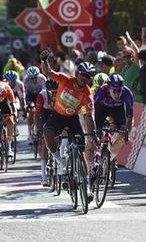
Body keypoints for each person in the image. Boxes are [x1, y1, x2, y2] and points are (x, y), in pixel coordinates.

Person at [40, 53, 96, 201]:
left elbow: (88, 116)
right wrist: (44, 61)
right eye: (83, 75)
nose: (85, 78)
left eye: (88, 77)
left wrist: (91, 135)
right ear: (77, 74)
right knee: (47, 131)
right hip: (57, 116)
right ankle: (60, 161)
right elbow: (48, 73)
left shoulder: (87, 94)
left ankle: (88, 188)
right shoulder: (65, 80)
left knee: (81, 150)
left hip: (72, 119)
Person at [94, 74, 133, 161]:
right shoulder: (101, 91)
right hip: (102, 110)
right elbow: (95, 110)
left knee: (123, 137)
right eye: (114, 91)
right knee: (97, 133)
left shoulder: (127, 93)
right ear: (108, 88)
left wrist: (127, 132)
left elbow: (129, 117)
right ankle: (97, 153)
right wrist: (98, 127)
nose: (117, 94)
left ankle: (109, 159)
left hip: (118, 110)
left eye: (119, 91)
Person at [35, 79, 58, 186]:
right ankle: (43, 174)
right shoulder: (42, 95)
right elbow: (37, 114)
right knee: (45, 142)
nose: (54, 94)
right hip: (45, 113)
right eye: (52, 91)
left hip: (58, 113)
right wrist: (39, 129)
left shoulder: (63, 94)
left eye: (56, 91)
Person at [23, 66, 46, 144]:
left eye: (35, 77)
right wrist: (25, 105)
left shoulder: (42, 79)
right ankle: (30, 135)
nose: (34, 80)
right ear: (29, 78)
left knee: (42, 110)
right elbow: (24, 94)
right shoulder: (25, 80)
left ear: (38, 76)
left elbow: (45, 93)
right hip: (31, 96)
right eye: (31, 78)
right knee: (31, 111)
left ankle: (39, 128)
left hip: (40, 94)